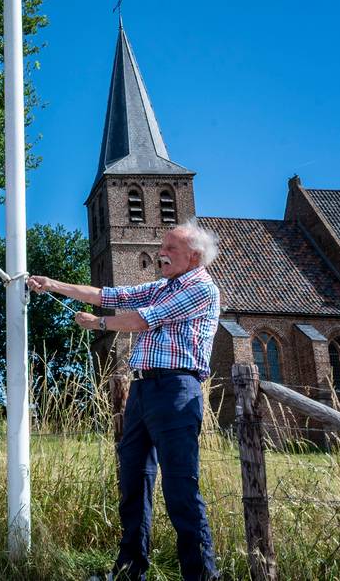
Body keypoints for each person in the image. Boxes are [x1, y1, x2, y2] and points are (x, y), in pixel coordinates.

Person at [27, 219, 221, 581]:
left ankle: (201, 576)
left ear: (194, 257)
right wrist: (52, 284)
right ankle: (129, 571)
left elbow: (145, 321)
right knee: (133, 481)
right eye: (162, 248)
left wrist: (99, 325)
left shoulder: (201, 289)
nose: (161, 254)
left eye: (170, 250)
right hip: (144, 390)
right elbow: (109, 296)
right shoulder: (165, 285)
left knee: (180, 488)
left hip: (177, 391)